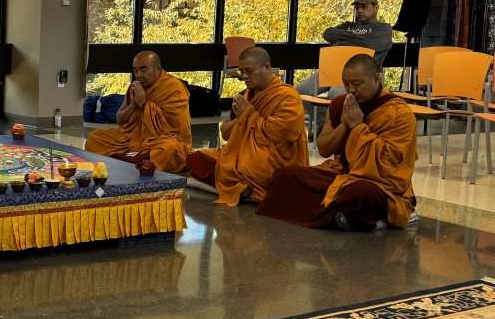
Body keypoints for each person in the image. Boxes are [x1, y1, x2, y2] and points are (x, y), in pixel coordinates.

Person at [257, 54, 417, 231]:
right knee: (285, 176)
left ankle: (366, 214)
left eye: (357, 84)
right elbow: (324, 148)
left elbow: (388, 164)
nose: (351, 90)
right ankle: (345, 216)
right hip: (342, 172)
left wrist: (358, 125)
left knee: (361, 193)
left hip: (379, 183)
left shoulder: (399, 113)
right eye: (346, 84)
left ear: (377, 79)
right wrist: (345, 124)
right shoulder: (341, 104)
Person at [186, 47, 308, 206]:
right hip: (242, 154)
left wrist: (249, 115)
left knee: (246, 170)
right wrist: (243, 117)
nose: (244, 76)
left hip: (272, 160)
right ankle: (241, 189)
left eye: (249, 71)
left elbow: (284, 134)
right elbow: (226, 133)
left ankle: (242, 188)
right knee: (196, 158)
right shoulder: (246, 95)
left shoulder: (287, 96)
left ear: (267, 67)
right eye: (241, 71)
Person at [84, 51, 191, 173]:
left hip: (160, 139)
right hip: (131, 138)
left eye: (143, 69)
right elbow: (120, 120)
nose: (139, 75)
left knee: (169, 149)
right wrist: (134, 105)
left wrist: (145, 105)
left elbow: (173, 126)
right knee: (95, 137)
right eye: (135, 71)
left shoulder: (174, 88)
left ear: (158, 68)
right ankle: (139, 159)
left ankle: (134, 159)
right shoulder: (135, 87)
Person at [297, 0, 393, 110]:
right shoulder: (349, 25)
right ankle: (324, 125)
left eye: (364, 7)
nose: (359, 10)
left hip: (359, 75)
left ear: (376, 8)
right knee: (301, 91)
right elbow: (328, 34)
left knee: (335, 95)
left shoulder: (383, 28)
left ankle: (336, 125)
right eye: (357, 7)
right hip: (333, 69)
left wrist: (341, 42)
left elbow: (369, 45)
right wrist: (354, 37)